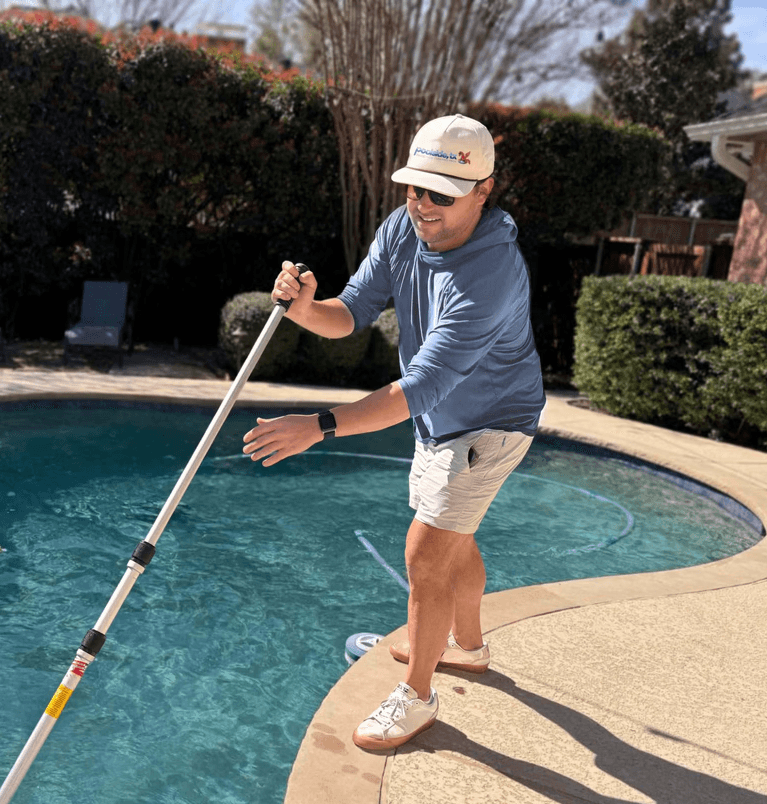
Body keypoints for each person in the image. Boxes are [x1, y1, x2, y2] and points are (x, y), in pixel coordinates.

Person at [242, 113, 546, 751]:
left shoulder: (488, 276)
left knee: (424, 555)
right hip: (442, 419)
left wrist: (319, 426)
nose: (423, 204)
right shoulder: (405, 228)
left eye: (442, 193)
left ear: (483, 190)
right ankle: (466, 646)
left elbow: (420, 388)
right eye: (414, 187)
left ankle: (418, 697)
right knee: (452, 542)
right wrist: (303, 307)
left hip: (491, 423)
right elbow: (350, 313)